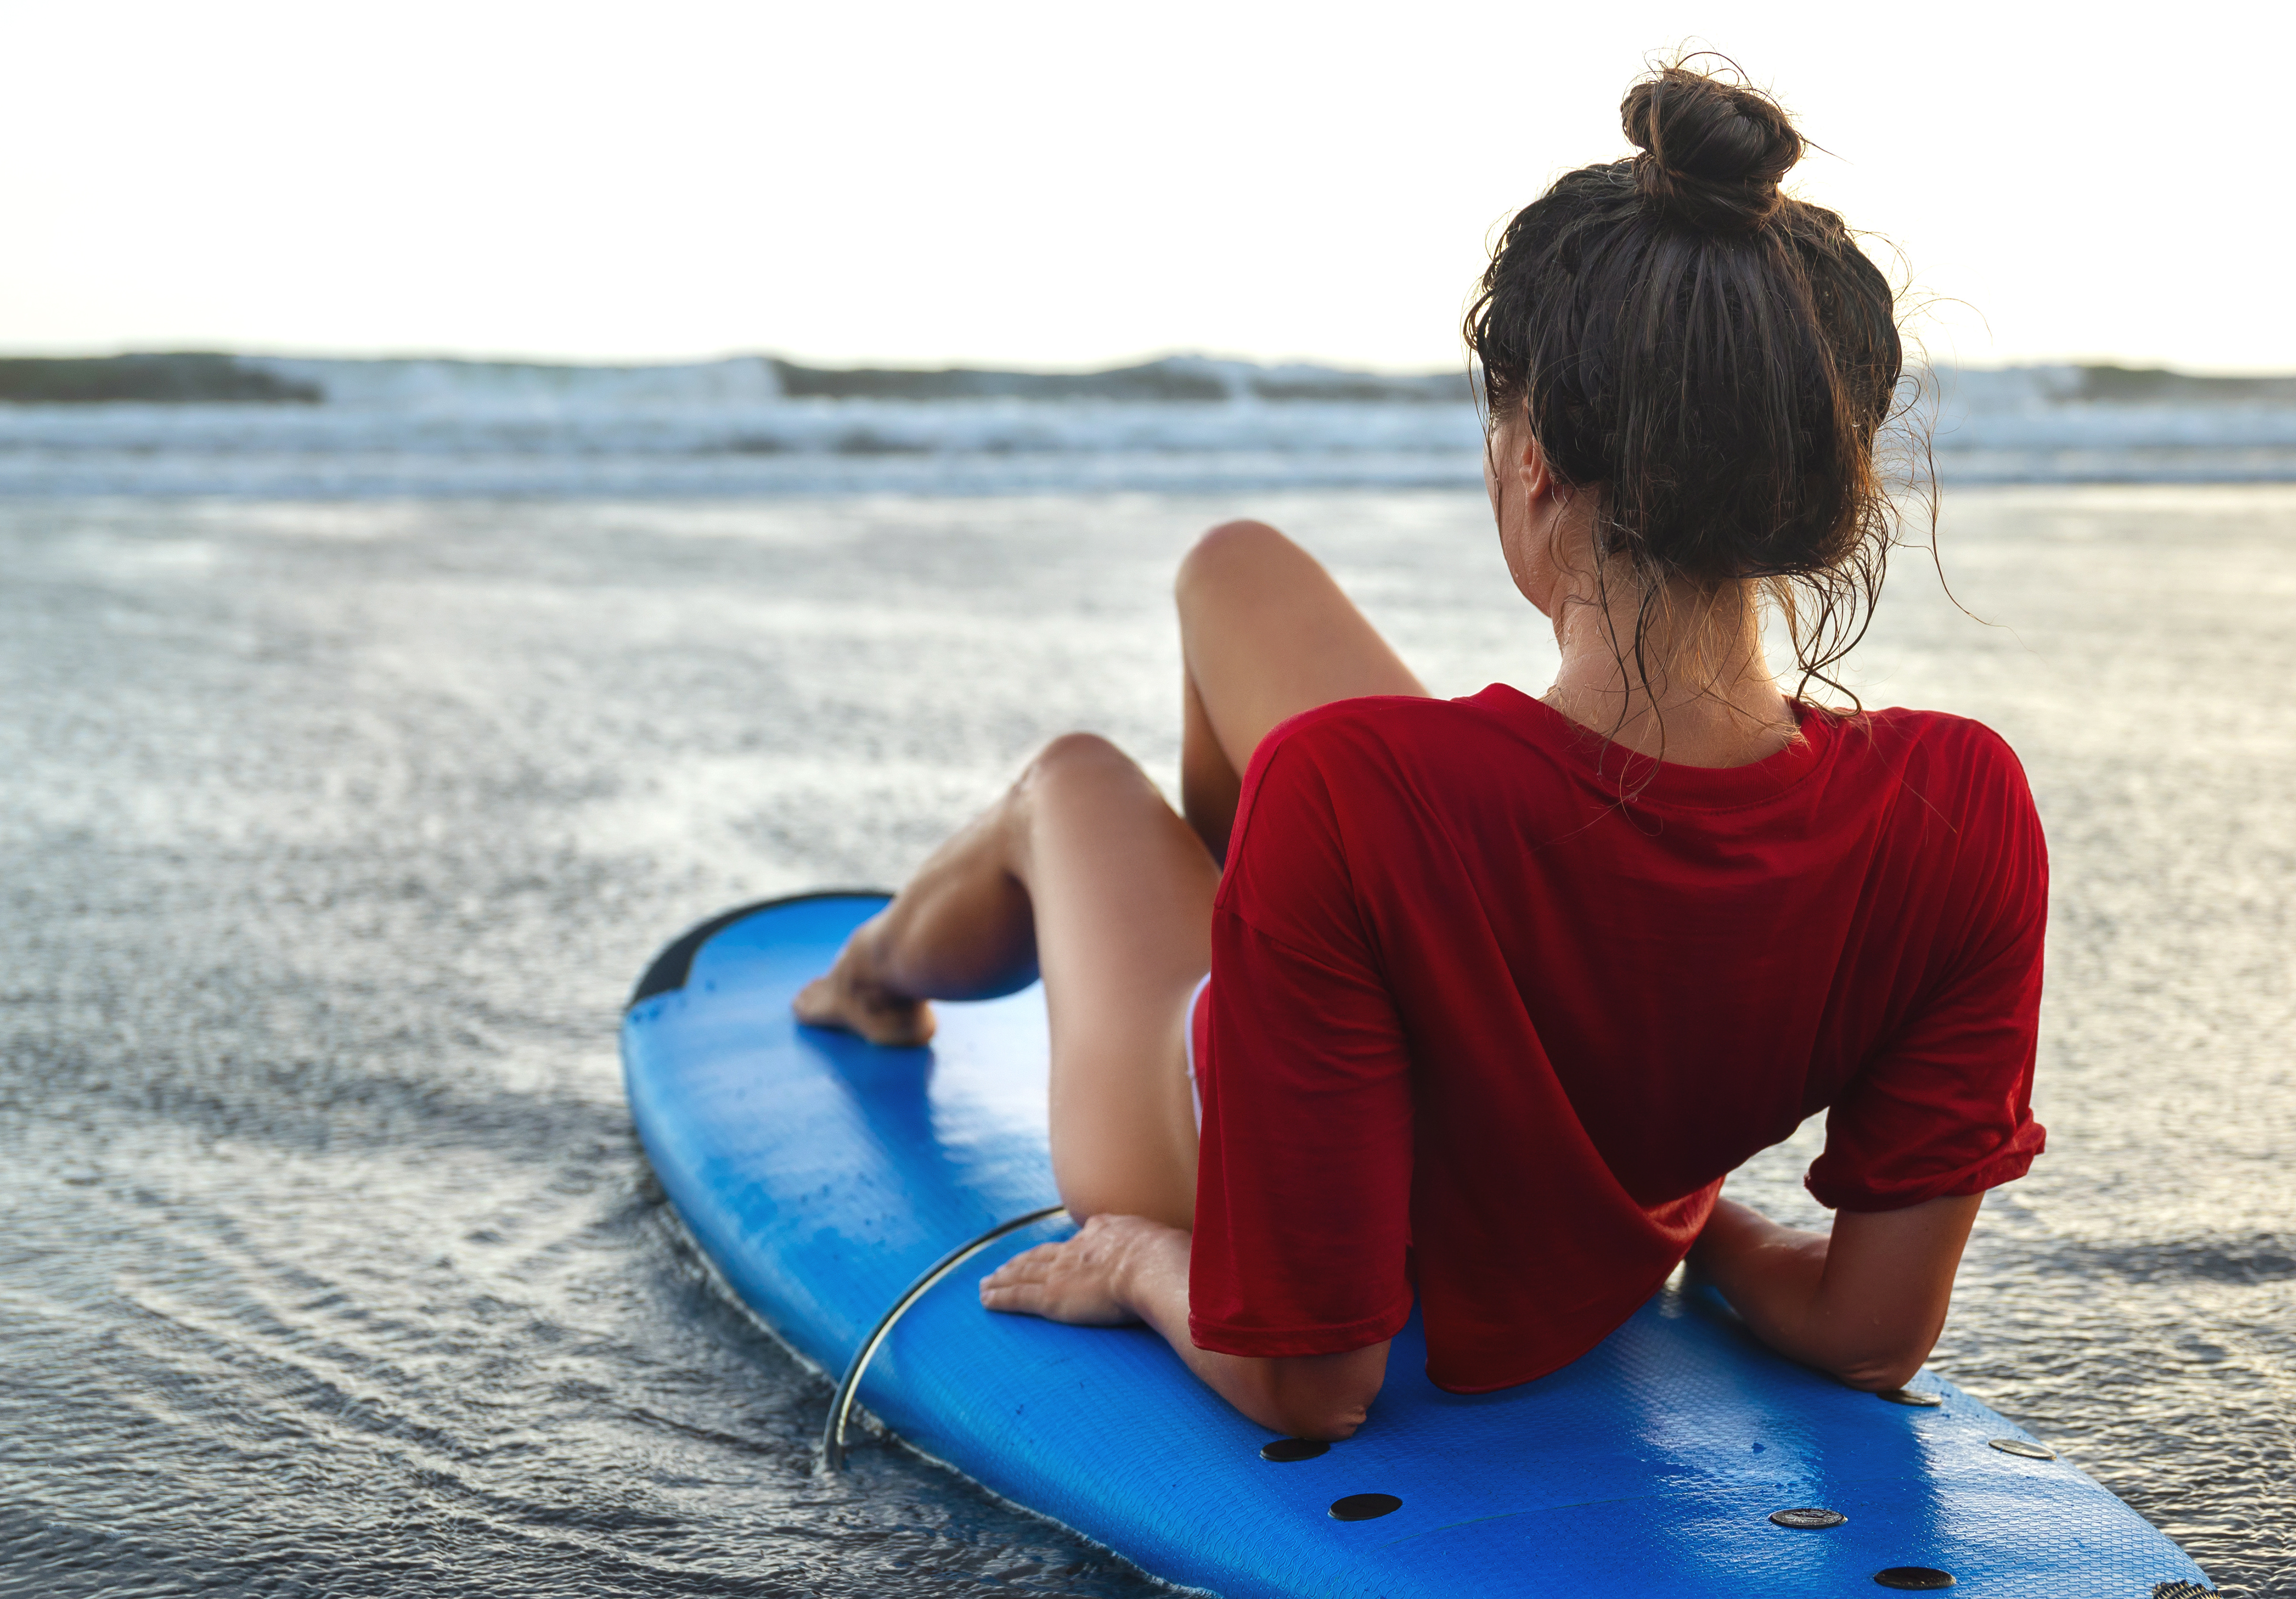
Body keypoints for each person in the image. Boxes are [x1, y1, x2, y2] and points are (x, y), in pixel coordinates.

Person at [792, 61, 2047, 1447]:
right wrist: (1698, 1237)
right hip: (1575, 1210)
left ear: (1536, 469)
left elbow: (1313, 1384)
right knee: (1236, 570)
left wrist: (1134, 1262)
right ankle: (1285, 977)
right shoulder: (1962, 809)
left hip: (1211, 1174)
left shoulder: (1354, 793)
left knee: (1073, 785)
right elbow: (1869, 1336)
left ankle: (866, 981)